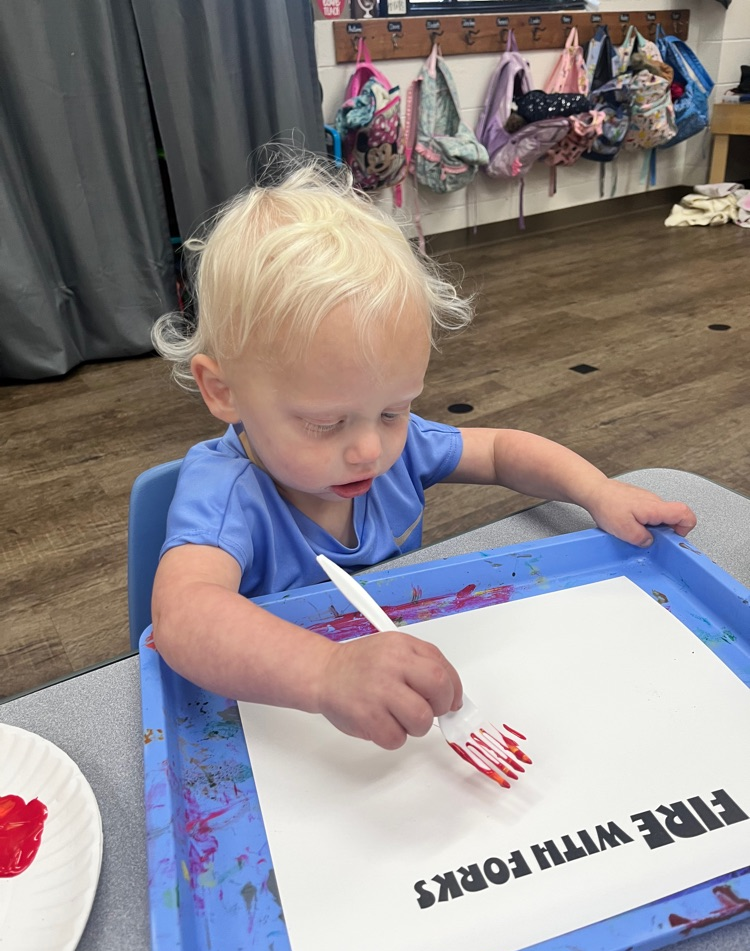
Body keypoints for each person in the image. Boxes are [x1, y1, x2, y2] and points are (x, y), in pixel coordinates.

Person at [150, 154, 697, 752]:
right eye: (326, 423)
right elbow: (183, 618)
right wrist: (326, 672)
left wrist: (597, 490)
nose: (370, 449)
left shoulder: (397, 447)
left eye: (393, 410)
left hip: (402, 688)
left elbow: (502, 451)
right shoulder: (225, 493)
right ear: (223, 392)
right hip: (281, 720)